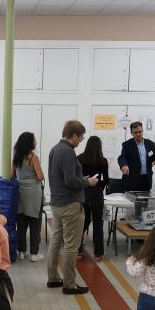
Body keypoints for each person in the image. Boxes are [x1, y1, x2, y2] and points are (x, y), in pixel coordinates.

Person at [46, 120, 99, 294]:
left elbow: (58, 178)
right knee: (71, 246)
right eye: (81, 137)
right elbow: (70, 181)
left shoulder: (54, 149)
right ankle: (69, 284)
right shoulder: (68, 152)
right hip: (70, 204)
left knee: (55, 241)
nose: (81, 141)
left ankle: (53, 278)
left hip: (57, 203)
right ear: (74, 135)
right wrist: (87, 182)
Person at [11, 132, 45, 261]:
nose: (35, 142)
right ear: (29, 143)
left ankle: (21, 251)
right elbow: (41, 177)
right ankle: (34, 254)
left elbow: (12, 175)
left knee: (21, 223)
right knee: (35, 223)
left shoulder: (16, 157)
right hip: (33, 194)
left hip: (20, 192)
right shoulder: (33, 158)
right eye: (34, 140)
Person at [78, 135, 110, 260]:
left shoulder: (79, 158)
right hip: (97, 194)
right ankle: (98, 253)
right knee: (98, 224)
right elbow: (106, 180)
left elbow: (77, 178)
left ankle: (78, 251)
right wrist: (99, 182)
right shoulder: (103, 161)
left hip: (83, 193)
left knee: (82, 223)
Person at [117, 121, 155, 192]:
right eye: (135, 132)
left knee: (144, 202)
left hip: (145, 180)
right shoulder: (127, 145)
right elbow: (122, 157)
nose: (138, 134)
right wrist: (124, 165)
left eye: (140, 131)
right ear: (131, 133)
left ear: (142, 131)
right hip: (131, 181)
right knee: (130, 203)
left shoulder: (150, 144)